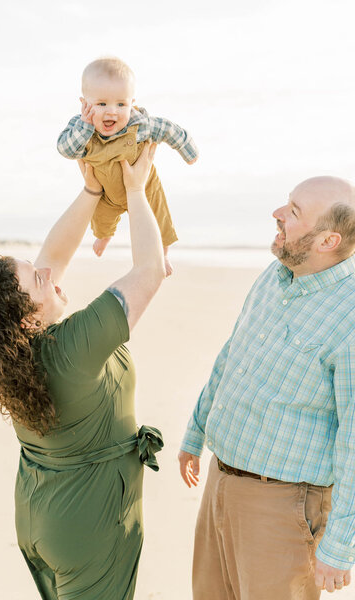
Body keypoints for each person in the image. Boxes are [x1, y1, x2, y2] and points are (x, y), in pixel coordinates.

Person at [0, 143, 165, 599]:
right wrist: (137, 188)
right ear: (27, 319)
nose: (48, 273)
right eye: (37, 279)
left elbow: (51, 259)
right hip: (86, 524)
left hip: (42, 513)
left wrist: (92, 190)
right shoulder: (72, 346)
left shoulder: (10, 355)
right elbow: (150, 271)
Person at [179, 176, 355, 599]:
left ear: (328, 240)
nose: (277, 214)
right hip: (220, 485)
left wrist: (340, 547)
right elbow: (231, 358)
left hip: (283, 509)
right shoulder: (274, 277)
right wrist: (195, 433)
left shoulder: (349, 315)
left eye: (293, 212)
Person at [57, 56, 199, 276]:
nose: (112, 111)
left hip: (145, 186)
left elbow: (169, 130)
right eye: (101, 104)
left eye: (121, 104)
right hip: (106, 192)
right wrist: (85, 128)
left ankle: (163, 254)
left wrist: (188, 152)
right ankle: (104, 237)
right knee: (100, 218)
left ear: (132, 103)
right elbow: (65, 149)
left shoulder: (139, 124)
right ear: (84, 104)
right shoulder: (80, 127)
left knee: (160, 218)